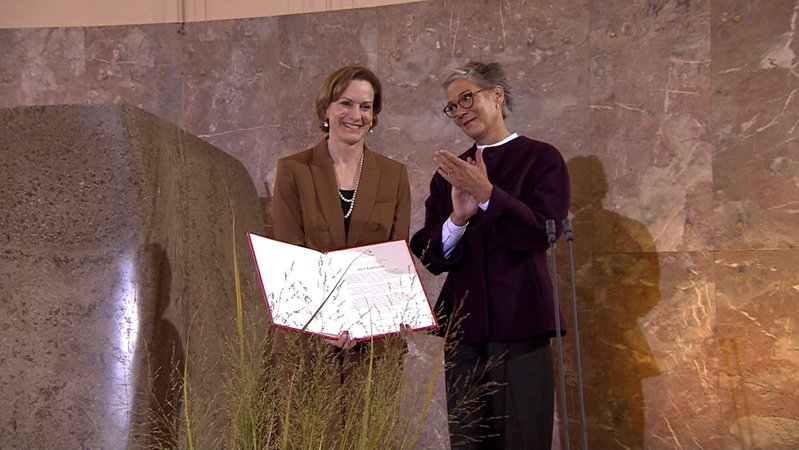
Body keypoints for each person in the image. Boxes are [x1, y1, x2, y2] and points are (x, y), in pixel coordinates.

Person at [410, 61, 570, 449]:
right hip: (466, 332)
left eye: (468, 98)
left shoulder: (541, 158)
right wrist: (458, 219)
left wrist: (487, 194)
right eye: (452, 106)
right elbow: (432, 253)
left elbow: (540, 232)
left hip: (522, 324)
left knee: (524, 440)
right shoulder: (450, 171)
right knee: (468, 441)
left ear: (497, 95)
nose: (460, 111)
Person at [269, 65, 412, 445]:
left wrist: (359, 323)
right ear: (327, 109)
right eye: (346, 103)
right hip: (308, 337)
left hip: (374, 342)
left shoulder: (395, 175)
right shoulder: (293, 170)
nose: (356, 114)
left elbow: (395, 258)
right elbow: (290, 253)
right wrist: (327, 322)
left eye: (366, 106)